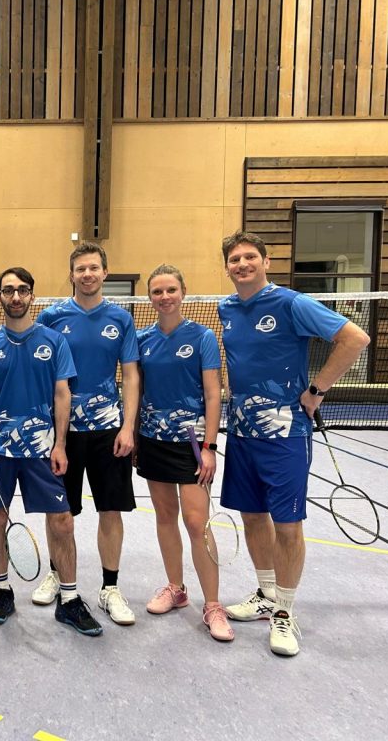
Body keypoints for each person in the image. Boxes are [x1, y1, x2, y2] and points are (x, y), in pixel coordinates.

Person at [218, 231, 370, 656]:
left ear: (266, 262)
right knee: (252, 517)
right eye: (234, 259)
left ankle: (284, 612)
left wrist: (317, 390)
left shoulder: (292, 303)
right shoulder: (227, 308)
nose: (242, 264)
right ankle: (267, 593)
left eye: (250, 257)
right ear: (227, 267)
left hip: (286, 435)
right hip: (242, 432)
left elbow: (355, 338)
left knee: (287, 525)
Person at [0, 268, 102, 636]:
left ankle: (70, 599)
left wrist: (60, 444)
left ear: (33, 295)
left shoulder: (54, 341)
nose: (15, 297)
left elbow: (63, 394)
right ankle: (2, 591)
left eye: (22, 290)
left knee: (62, 521)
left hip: (43, 450)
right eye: (8, 290)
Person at [35, 242, 140, 626]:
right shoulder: (51, 317)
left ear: (105, 272)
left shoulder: (121, 319)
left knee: (110, 509)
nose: (87, 274)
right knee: (59, 511)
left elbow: (131, 375)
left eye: (94, 268)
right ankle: (56, 572)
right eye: (80, 269)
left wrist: (128, 427)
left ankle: (110, 588)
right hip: (62, 433)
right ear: (71, 274)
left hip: (108, 432)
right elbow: (42, 372)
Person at [136, 264, 232, 642]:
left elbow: (213, 394)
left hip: (191, 445)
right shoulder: (142, 339)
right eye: (157, 291)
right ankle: (176, 588)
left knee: (196, 523)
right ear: (149, 297)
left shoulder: (203, 337)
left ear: (183, 292)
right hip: (152, 440)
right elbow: (136, 391)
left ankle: (213, 605)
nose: (165, 297)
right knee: (165, 517)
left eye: (171, 290)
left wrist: (210, 447)